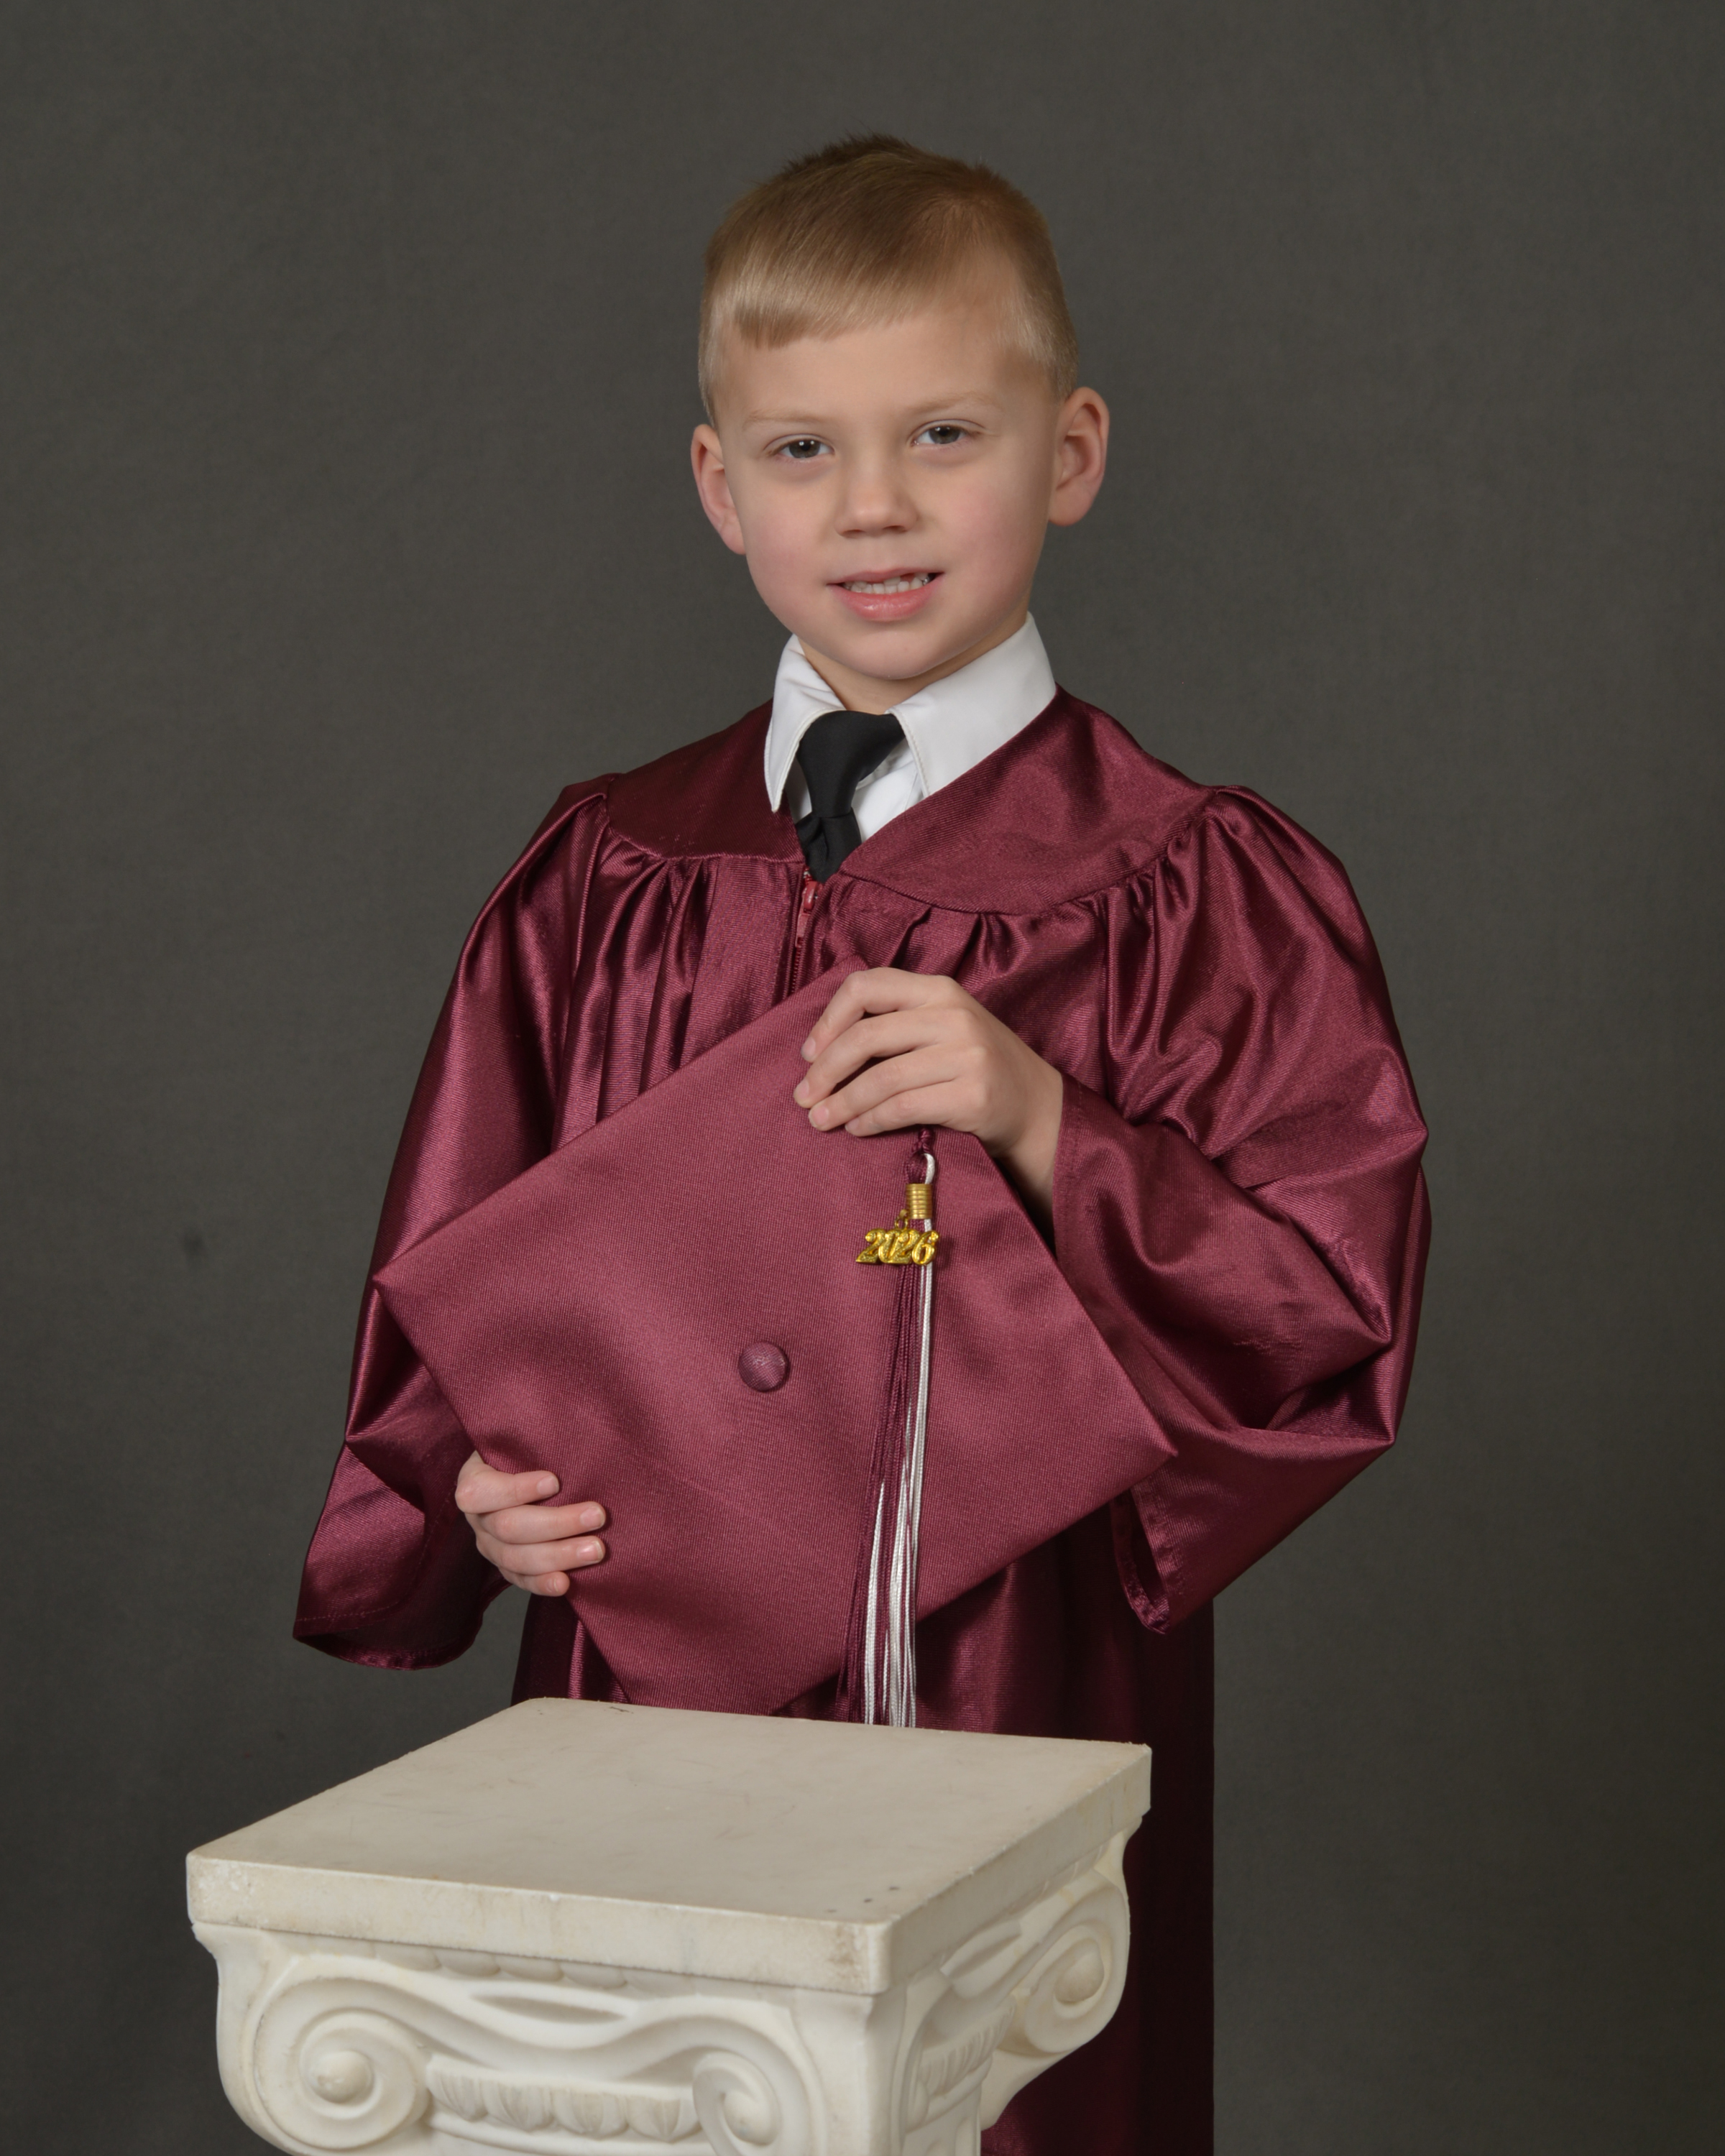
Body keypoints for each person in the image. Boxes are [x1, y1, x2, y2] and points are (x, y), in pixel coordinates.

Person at [295, 137, 1430, 2155]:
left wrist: (1044, 1118)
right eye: (804, 450)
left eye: (943, 434)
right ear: (719, 486)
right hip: (646, 1675)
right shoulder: (611, 871)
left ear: (1070, 453)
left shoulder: (1188, 887)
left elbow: (1324, 1302)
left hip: (1017, 1672)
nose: (874, 505)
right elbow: (463, 1271)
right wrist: (473, 1491)